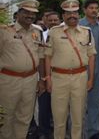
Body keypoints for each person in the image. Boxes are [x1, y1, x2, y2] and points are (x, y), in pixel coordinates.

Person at [45, 0, 96, 139]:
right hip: (59, 79)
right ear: (63, 16)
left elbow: (91, 56)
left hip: (80, 78)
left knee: (78, 119)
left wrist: (91, 79)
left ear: (79, 14)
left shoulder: (87, 32)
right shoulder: (54, 32)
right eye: (68, 13)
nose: (72, 16)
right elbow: (48, 56)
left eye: (74, 12)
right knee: (59, 119)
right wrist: (48, 78)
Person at [0, 0, 45, 139]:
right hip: (8, 80)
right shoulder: (4, 31)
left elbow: (41, 56)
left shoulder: (38, 32)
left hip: (31, 80)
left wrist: (42, 80)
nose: (30, 16)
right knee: (6, 116)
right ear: (18, 13)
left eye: (33, 13)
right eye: (26, 12)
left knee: (25, 117)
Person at [79, 0, 99, 139]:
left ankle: (93, 131)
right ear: (85, 9)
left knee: (94, 103)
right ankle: (78, 131)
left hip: (97, 70)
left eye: (96, 8)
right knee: (78, 103)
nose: (94, 10)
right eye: (91, 8)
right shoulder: (78, 25)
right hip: (80, 70)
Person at [38, 11, 61, 139]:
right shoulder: (40, 36)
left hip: (59, 76)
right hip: (44, 75)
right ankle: (44, 132)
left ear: (59, 21)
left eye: (55, 20)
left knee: (60, 107)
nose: (53, 23)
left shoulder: (65, 35)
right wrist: (43, 78)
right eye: (50, 20)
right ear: (45, 22)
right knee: (44, 105)